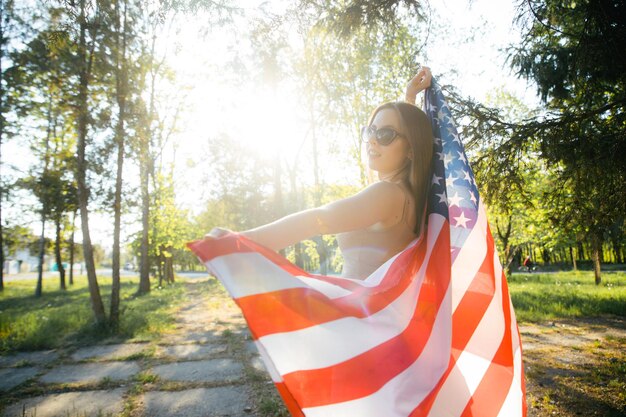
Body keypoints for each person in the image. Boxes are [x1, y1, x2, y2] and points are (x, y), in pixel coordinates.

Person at [205, 67, 434, 280]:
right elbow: (409, 136)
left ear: (411, 149)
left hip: (359, 316)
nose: (373, 139)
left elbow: (320, 220)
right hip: (371, 314)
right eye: (370, 130)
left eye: (385, 135)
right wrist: (409, 100)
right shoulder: (414, 196)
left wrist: (242, 242)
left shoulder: (387, 194)